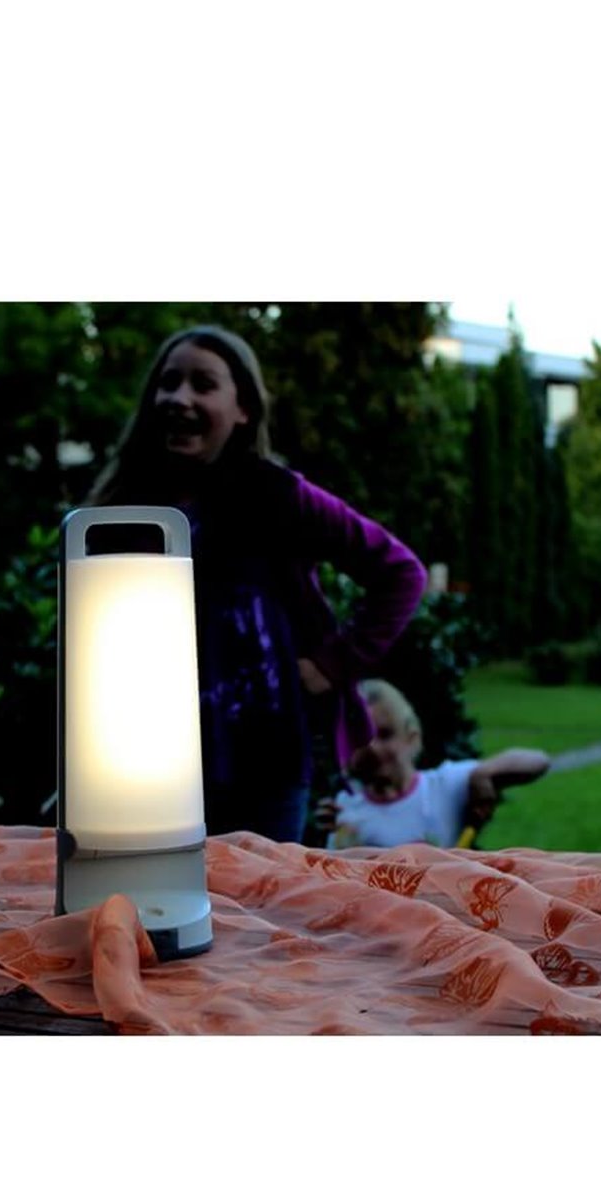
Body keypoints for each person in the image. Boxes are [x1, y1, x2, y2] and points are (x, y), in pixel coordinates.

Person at [87, 324, 427, 842]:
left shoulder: (277, 496)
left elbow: (400, 572)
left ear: (243, 408)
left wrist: (333, 662)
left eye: (203, 384)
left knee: (257, 892)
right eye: (168, 383)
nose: (179, 397)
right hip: (140, 764)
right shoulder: (119, 508)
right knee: (148, 891)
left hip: (265, 766)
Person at [317, 679, 551, 849]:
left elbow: (538, 761)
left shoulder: (444, 786)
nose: (373, 747)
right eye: (360, 737)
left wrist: (484, 773)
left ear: (412, 738)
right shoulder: (345, 808)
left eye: (385, 734)